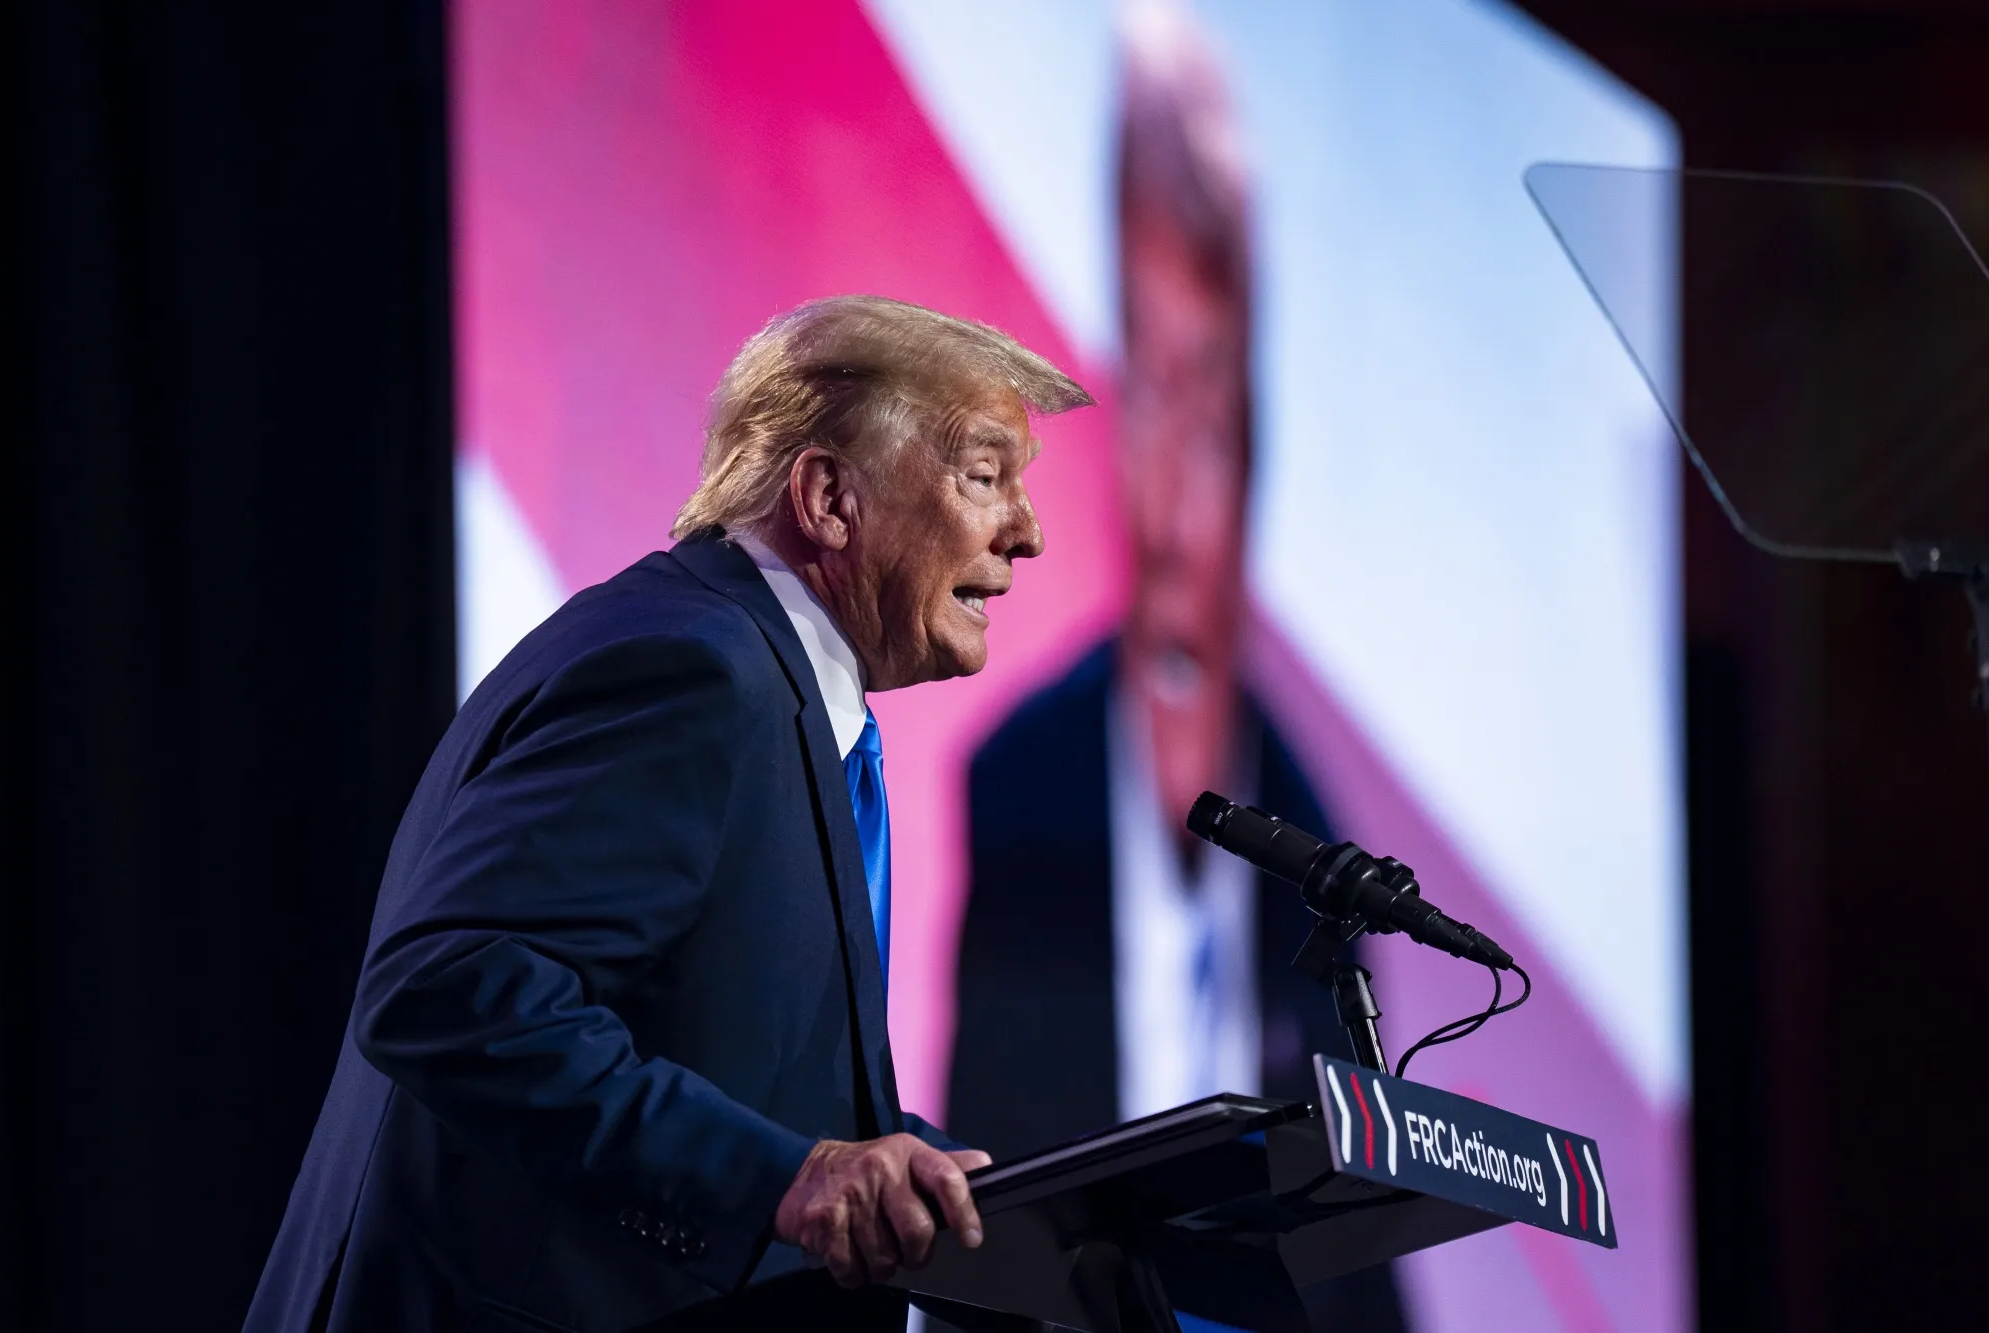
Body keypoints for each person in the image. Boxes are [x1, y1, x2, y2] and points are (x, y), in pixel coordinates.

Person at [244, 295, 1092, 1333]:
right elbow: (449, 988)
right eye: (983, 476)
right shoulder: (693, 670)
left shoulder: (773, 692)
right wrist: (786, 1175)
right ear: (828, 497)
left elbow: (718, 1057)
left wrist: (921, 1178)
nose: (1028, 532)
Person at [945, 15, 1407, 1329]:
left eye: (1201, 405)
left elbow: (1371, 1268)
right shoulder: (1019, 784)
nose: (1165, 489)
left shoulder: (1320, 842)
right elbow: (982, 1219)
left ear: (1257, 438)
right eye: (1140, 395)